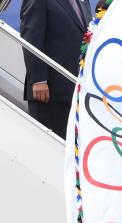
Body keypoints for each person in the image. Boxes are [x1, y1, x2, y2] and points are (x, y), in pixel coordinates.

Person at [20, 0, 92, 139]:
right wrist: (38, 79)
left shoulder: (83, 2)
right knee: (48, 150)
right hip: (49, 92)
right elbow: (31, 37)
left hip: (75, 91)